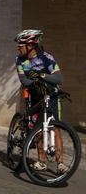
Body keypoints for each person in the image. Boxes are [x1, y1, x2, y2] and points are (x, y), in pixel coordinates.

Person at [14, 29, 68, 174]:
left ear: (30, 45)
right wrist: (35, 83)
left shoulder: (47, 57)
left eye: (21, 45)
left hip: (51, 96)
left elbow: (59, 79)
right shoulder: (20, 60)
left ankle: (60, 163)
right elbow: (24, 80)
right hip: (35, 96)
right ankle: (41, 161)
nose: (18, 48)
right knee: (38, 131)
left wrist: (41, 75)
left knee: (55, 129)